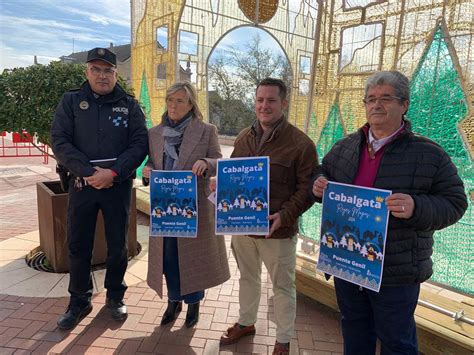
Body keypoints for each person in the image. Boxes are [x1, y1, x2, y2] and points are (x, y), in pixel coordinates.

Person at [312, 71, 468, 354]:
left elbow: (456, 202)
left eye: (385, 98)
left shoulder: (429, 154)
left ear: (404, 104)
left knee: (397, 341)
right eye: (371, 99)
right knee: (355, 331)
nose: (376, 105)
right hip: (348, 264)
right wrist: (318, 184)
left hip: (394, 273)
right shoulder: (345, 147)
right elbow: (322, 170)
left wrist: (416, 207)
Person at [50, 47, 148, 330]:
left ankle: (115, 297)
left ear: (116, 74)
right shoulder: (71, 101)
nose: (102, 75)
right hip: (83, 185)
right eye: (96, 69)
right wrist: (90, 172)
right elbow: (60, 140)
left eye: (108, 70)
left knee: (118, 246)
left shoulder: (129, 105)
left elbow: (139, 143)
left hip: (117, 186)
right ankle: (79, 300)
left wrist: (114, 173)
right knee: (79, 244)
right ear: (87, 72)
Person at [219, 78, 318, 355]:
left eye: (271, 100)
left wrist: (283, 216)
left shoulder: (301, 144)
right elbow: (236, 178)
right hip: (243, 229)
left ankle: (283, 339)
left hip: (278, 231)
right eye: (260, 100)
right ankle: (246, 322)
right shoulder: (243, 138)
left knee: (283, 287)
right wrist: (222, 187)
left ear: (284, 103)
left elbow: (307, 189)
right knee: (247, 279)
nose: (264, 106)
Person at [143, 81, 230, 328]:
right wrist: (148, 170)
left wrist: (206, 162)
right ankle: (173, 302)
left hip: (196, 207)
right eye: (170, 100)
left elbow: (217, 159)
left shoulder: (206, 130)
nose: (173, 105)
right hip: (166, 208)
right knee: (169, 258)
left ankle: (194, 304)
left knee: (193, 259)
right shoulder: (155, 133)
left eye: (179, 101)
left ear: (190, 104)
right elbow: (151, 161)